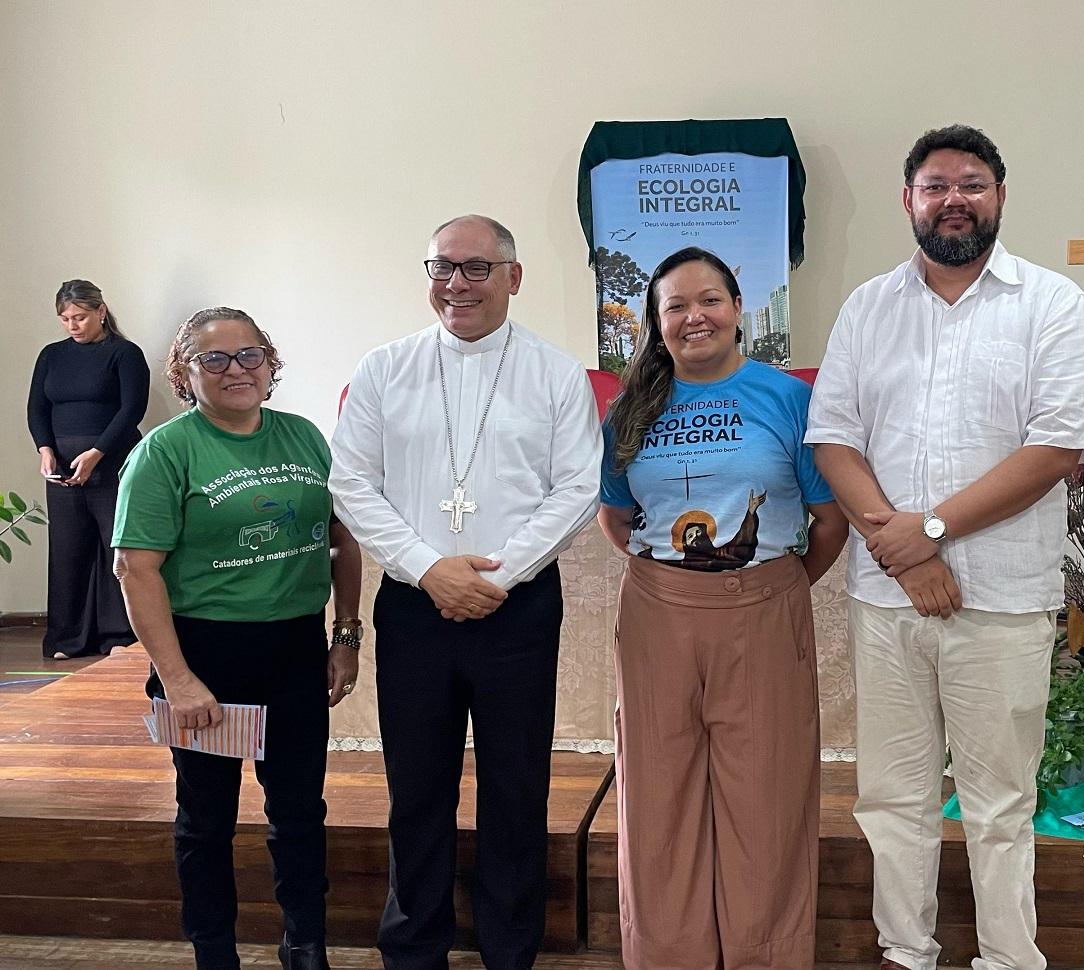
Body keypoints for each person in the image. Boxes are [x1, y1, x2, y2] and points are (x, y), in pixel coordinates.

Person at [807, 125, 1084, 970]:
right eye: (935, 185)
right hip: (886, 598)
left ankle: (1010, 958)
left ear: (1000, 197)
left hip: (1002, 599)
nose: (953, 200)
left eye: (971, 184)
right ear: (909, 201)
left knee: (1000, 803)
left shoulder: (1051, 305)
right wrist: (906, 553)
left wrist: (930, 531)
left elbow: (1054, 450)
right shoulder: (870, 306)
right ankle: (907, 951)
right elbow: (834, 439)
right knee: (892, 796)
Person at [330, 214, 601, 970]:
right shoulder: (386, 368)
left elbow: (579, 486)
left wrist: (499, 576)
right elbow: (350, 482)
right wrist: (427, 567)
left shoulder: (555, 374)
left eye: (478, 268)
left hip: (516, 607)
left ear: (514, 278)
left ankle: (509, 947)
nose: (458, 284)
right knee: (417, 788)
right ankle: (414, 947)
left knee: (516, 785)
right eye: (442, 267)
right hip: (417, 606)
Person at [597, 247, 846, 970]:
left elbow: (828, 520)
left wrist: (775, 586)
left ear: (738, 310)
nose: (692, 317)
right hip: (657, 614)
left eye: (709, 300)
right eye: (674, 306)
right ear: (656, 322)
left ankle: (764, 956)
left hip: (763, 607)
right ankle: (666, 955)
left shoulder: (788, 399)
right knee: (657, 798)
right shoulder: (631, 409)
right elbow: (620, 520)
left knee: (766, 798)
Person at [112, 307, 363, 970]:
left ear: (271, 364)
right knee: (206, 821)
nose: (236, 370)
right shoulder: (163, 453)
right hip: (206, 656)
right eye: (214, 359)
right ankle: (214, 953)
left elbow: (344, 542)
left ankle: (305, 947)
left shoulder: (306, 439)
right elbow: (135, 570)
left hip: (294, 653)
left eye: (250, 355)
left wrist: (346, 634)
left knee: (301, 813)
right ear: (185, 373)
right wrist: (179, 678)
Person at [26, 280, 149, 658]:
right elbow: (36, 408)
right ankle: (67, 638)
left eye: (79, 316)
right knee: (68, 550)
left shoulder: (124, 353)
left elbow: (132, 410)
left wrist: (96, 452)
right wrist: (45, 450)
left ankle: (119, 635)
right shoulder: (51, 355)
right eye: (65, 319)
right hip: (61, 468)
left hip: (112, 463)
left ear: (101, 311)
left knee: (116, 548)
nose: (72, 325)